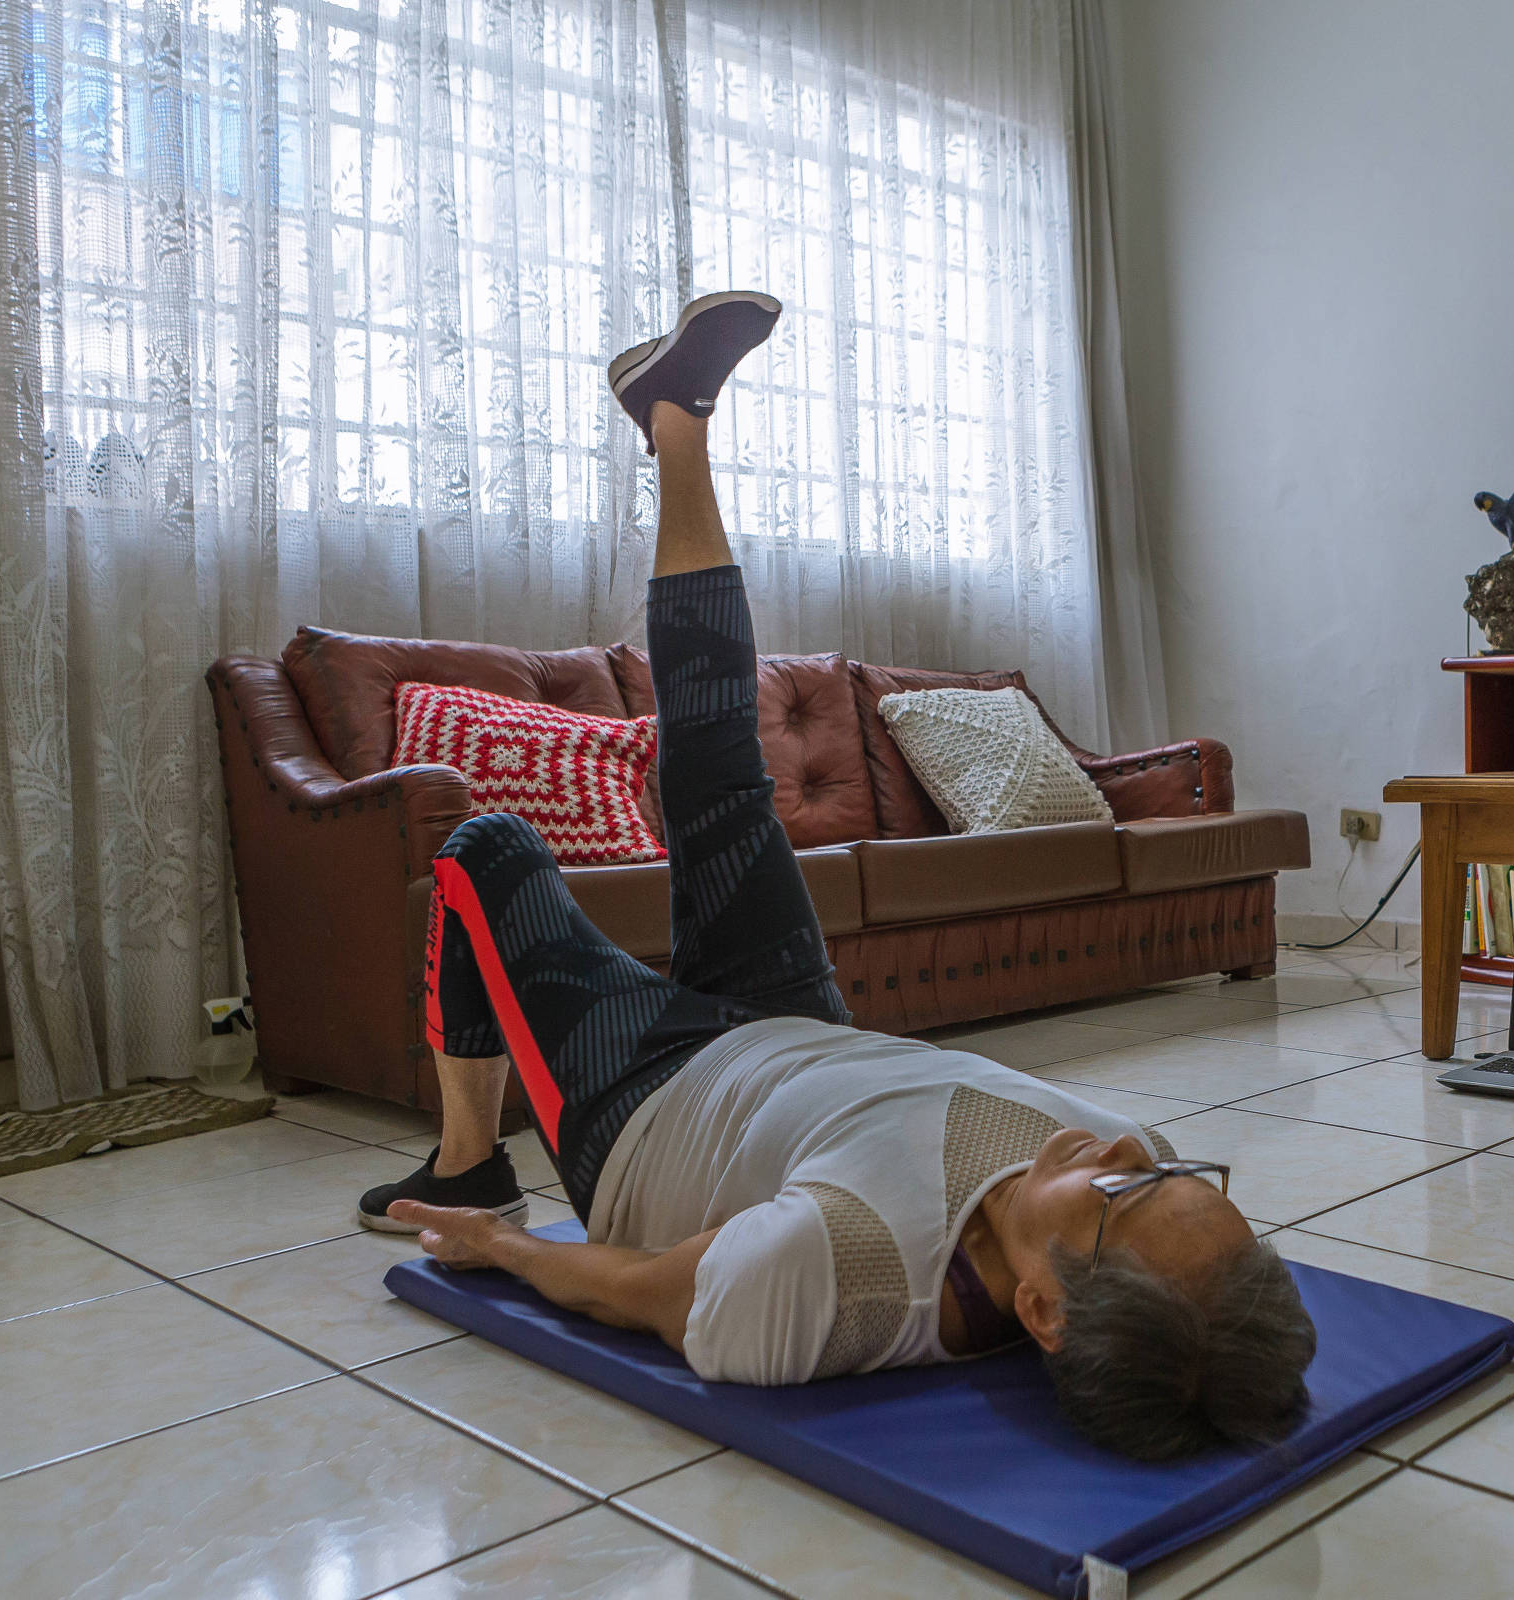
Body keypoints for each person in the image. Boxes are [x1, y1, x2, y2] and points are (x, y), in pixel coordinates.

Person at [354, 292, 1316, 1461]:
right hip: (798, 1027)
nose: (1121, 1151)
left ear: (1045, 1310)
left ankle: (469, 1160)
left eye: (1122, 1197)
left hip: (648, 1112)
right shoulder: (1115, 1164)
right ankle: (673, 419)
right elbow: (1125, 1181)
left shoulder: (836, 1276)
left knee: (484, 851)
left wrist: (504, 1251)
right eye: (1170, 1169)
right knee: (722, 755)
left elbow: (641, 1288)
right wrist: (1135, 1190)